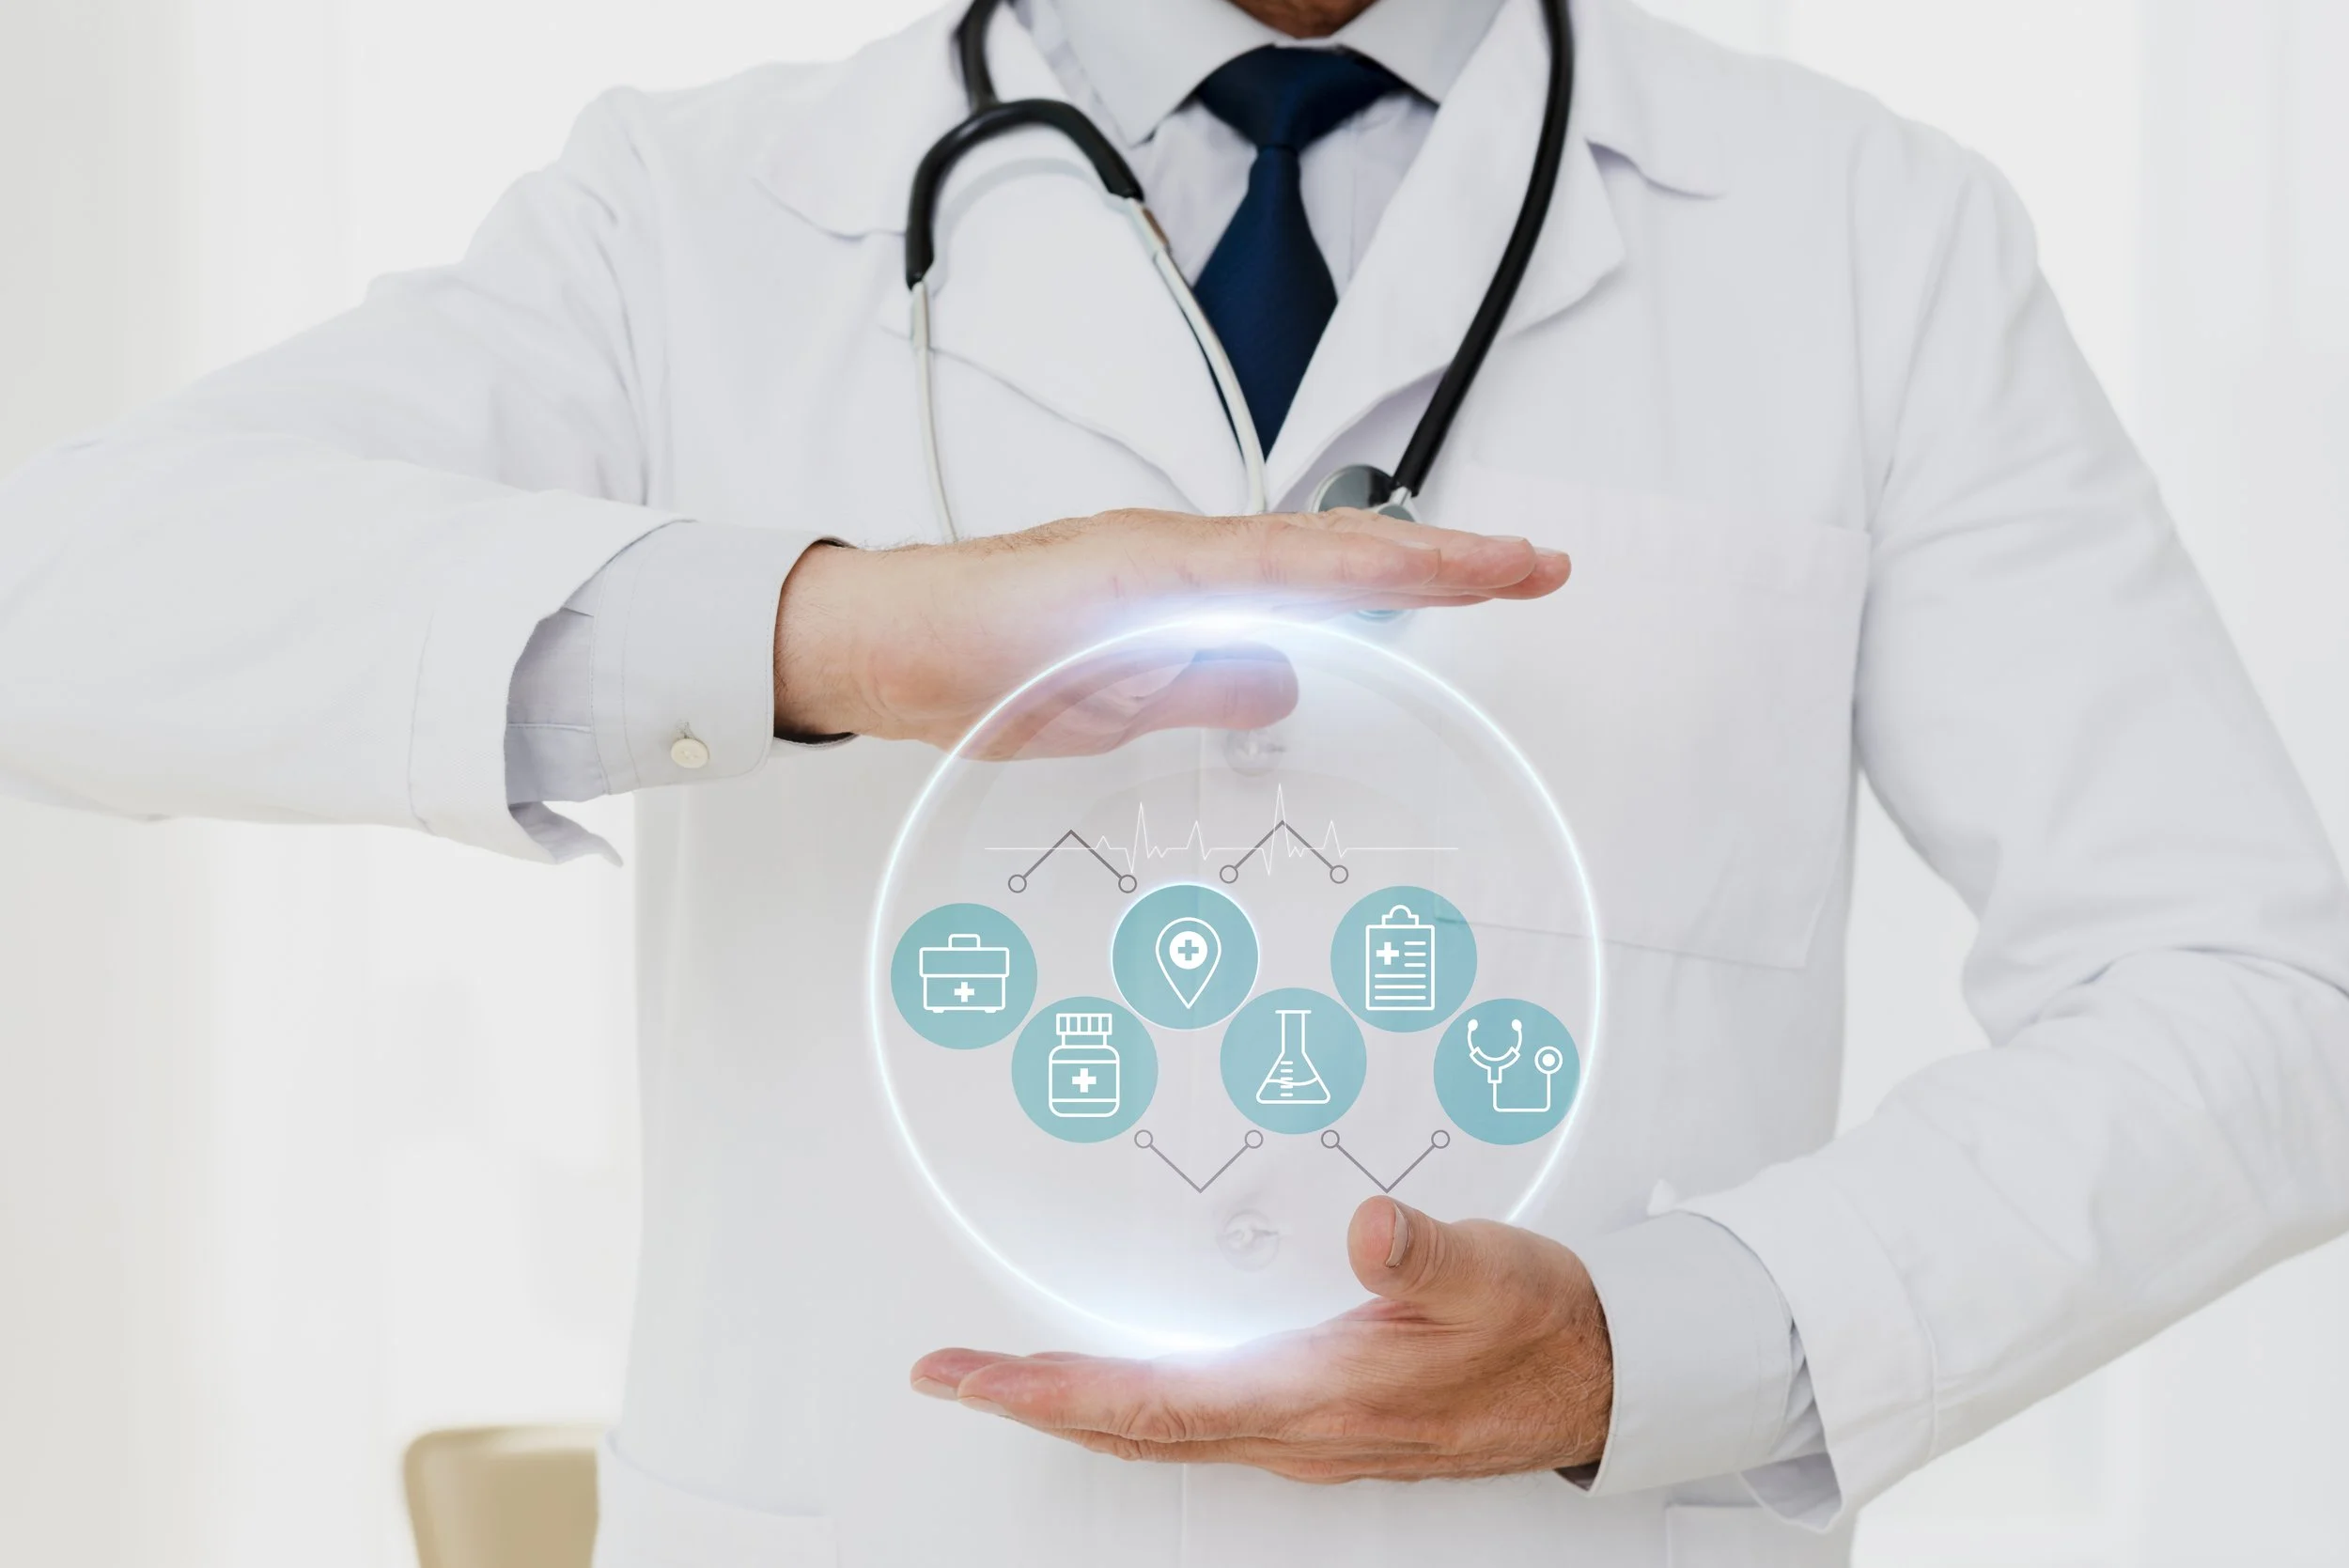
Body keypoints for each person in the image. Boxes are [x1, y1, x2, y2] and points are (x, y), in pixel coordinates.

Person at [3, 0, 2345, 1563]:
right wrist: (839, 629)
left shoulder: (1860, 235)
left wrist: (1653, 1344)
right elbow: (63, 605)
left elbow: (2251, 994)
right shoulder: (692, 215)